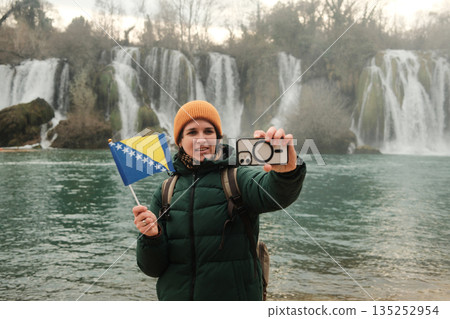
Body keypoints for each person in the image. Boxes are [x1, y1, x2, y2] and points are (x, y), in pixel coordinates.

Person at [132, 100, 306, 300]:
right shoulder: (165, 191)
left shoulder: (237, 177)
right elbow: (152, 268)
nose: (201, 140)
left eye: (208, 131)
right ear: (179, 141)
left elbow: (275, 194)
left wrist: (287, 173)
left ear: (217, 137)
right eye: (192, 133)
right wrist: (151, 236)